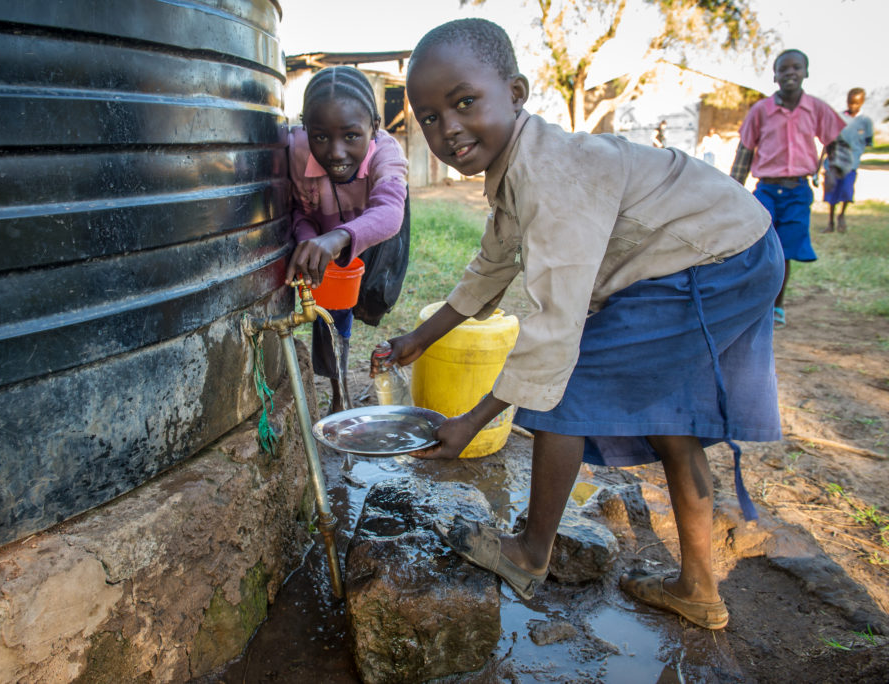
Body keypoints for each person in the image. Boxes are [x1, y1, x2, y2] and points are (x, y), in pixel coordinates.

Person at [373, 18, 783, 630]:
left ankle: (530, 553)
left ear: (516, 92)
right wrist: (417, 340)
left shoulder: (551, 176)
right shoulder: (522, 167)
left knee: (569, 384)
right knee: (671, 420)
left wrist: (469, 424)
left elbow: (553, 330)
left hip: (717, 259)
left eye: (463, 103)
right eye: (428, 117)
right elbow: (492, 264)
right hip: (726, 250)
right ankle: (698, 589)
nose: (448, 128)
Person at [286, 66, 408, 413]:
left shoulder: (387, 153)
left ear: (374, 126)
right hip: (325, 230)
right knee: (332, 308)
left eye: (351, 136)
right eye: (321, 137)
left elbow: (389, 212)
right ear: (306, 128)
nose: (336, 152)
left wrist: (339, 238)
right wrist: (311, 241)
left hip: (376, 225)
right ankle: (340, 393)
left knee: (374, 295)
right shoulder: (294, 152)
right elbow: (299, 212)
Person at [730, 49, 845, 329]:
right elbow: (745, 150)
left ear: (806, 72)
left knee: (785, 251)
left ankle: (777, 306)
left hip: (798, 190)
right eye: (783, 69)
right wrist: (733, 188)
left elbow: (835, 142)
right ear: (775, 76)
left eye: (796, 68)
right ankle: (754, 303)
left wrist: (835, 171)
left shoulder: (816, 109)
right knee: (758, 246)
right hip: (766, 191)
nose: (790, 73)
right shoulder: (761, 111)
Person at [821, 88, 874, 234]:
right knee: (831, 194)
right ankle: (830, 221)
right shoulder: (838, 118)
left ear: (862, 102)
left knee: (846, 191)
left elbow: (868, 142)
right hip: (833, 164)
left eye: (856, 103)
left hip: (851, 165)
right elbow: (828, 142)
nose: (853, 106)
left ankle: (842, 215)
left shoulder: (865, 122)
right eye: (850, 102)